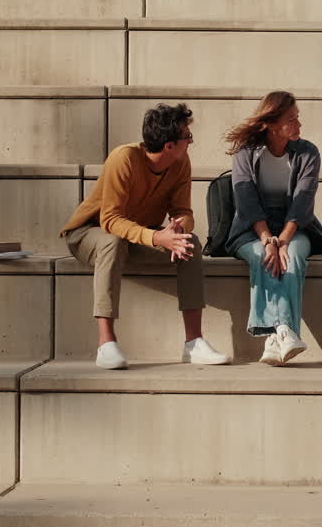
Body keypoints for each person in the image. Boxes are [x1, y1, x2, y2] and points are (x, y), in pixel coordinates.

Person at [61, 103, 230, 370]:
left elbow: (183, 210)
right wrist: (155, 238)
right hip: (88, 234)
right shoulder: (124, 159)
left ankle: (194, 342)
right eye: (188, 137)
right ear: (169, 146)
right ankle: (106, 344)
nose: (190, 142)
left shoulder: (181, 163)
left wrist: (178, 229)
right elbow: (110, 220)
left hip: (135, 238)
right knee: (111, 241)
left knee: (191, 243)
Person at [222, 91, 322, 366]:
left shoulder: (308, 152)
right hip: (251, 228)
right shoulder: (245, 154)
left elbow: (303, 200)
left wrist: (283, 240)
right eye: (292, 120)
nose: (299, 125)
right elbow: (246, 201)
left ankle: (275, 338)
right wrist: (267, 240)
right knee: (265, 258)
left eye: (298, 119)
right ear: (273, 125)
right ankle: (285, 329)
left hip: (294, 226)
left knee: (293, 257)